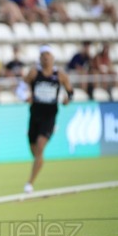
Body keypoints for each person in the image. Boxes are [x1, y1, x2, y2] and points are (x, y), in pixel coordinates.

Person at [23, 45, 73, 193]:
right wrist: (25, 95)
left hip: (50, 116)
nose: (45, 58)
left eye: (48, 55)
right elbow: (21, 86)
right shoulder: (34, 73)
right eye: (43, 55)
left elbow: (70, 91)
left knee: (39, 148)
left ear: (53, 58)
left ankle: (30, 182)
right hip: (34, 114)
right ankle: (38, 162)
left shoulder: (60, 75)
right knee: (34, 151)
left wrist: (67, 99)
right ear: (39, 58)